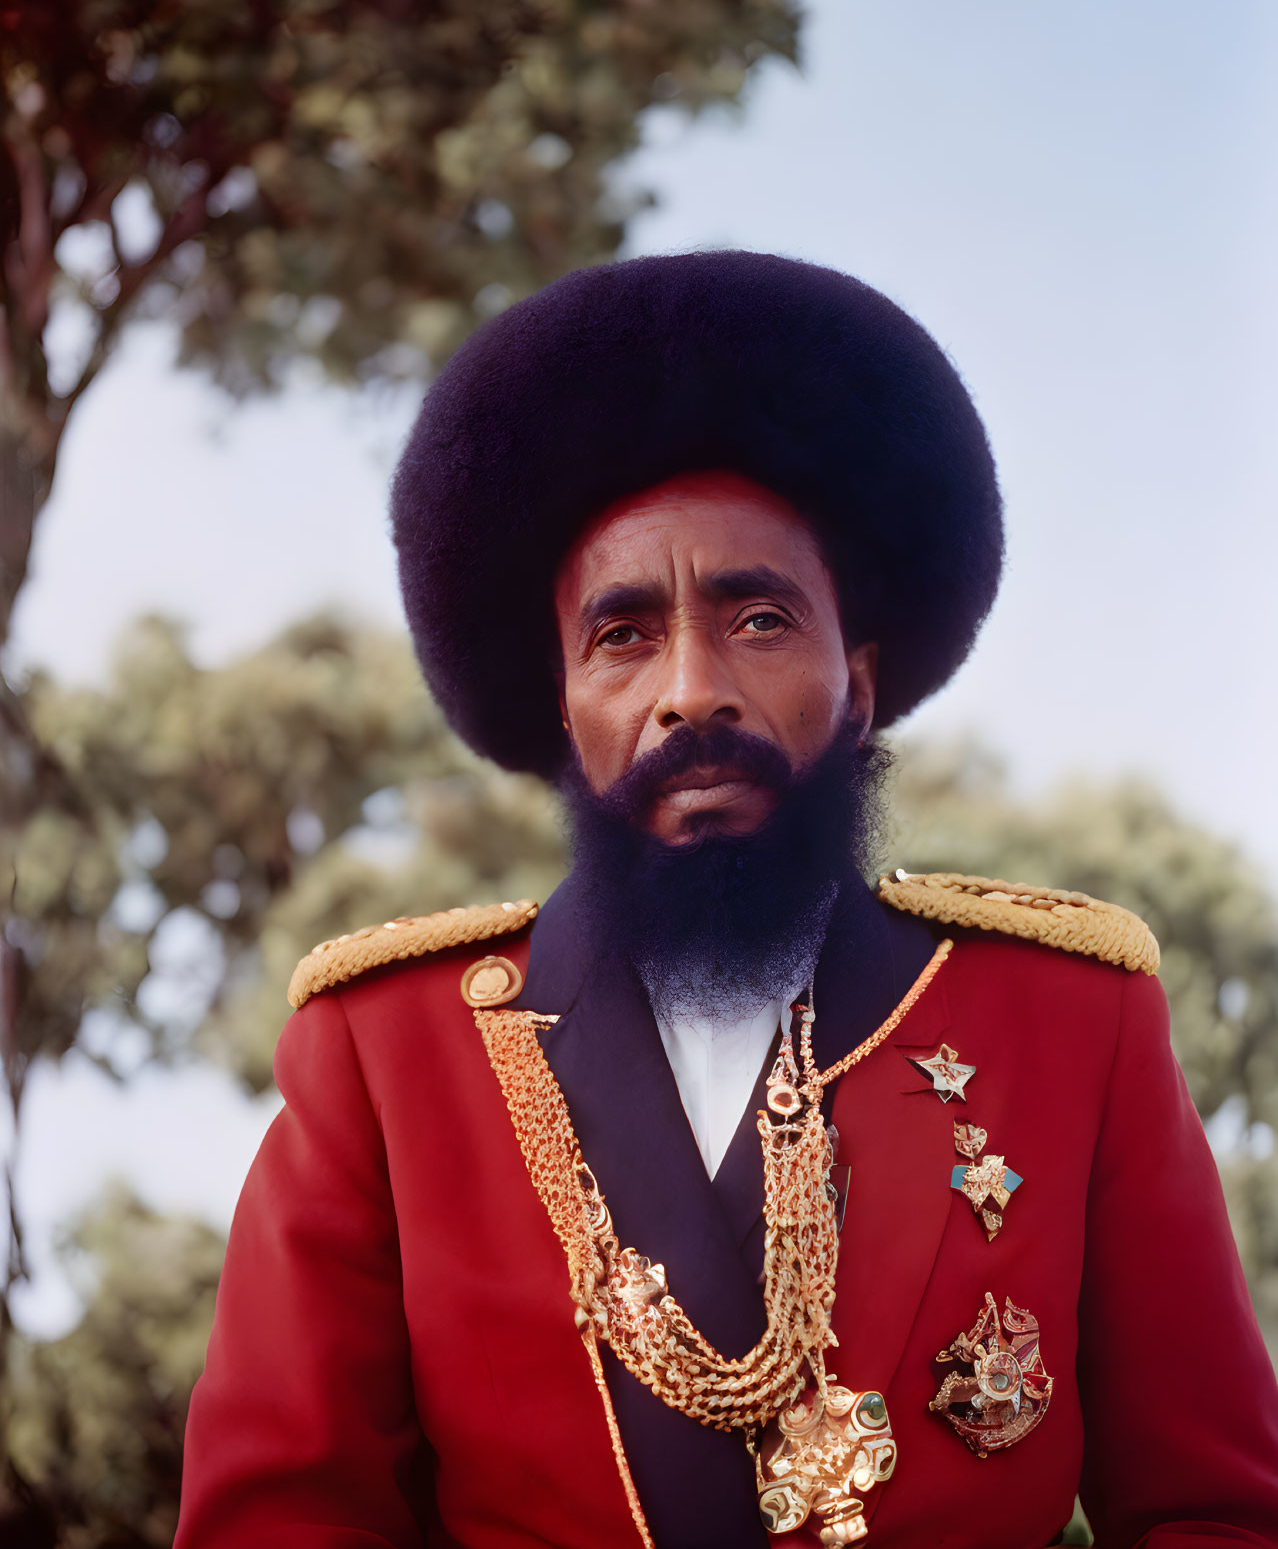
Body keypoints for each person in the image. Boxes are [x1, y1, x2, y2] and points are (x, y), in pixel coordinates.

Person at [174, 250, 1278, 1548]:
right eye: (623, 635)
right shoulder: (384, 1053)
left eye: (758, 618)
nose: (691, 689)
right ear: (564, 707)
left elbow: (1215, 1516)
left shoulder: (1069, 1019)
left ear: (856, 684)